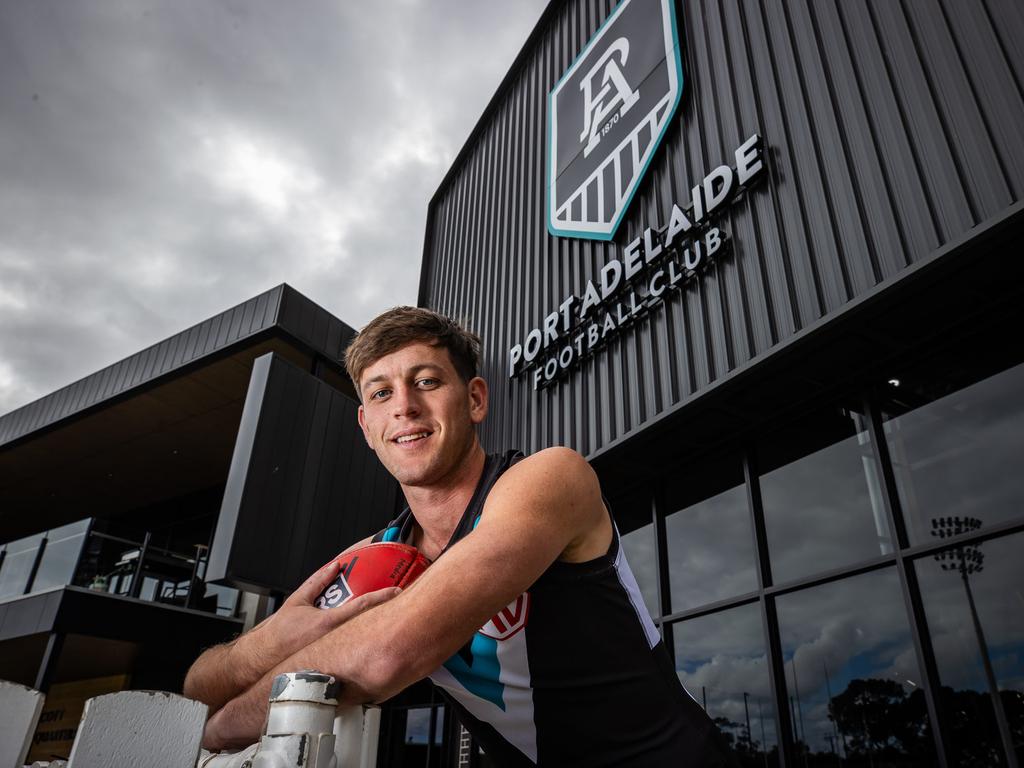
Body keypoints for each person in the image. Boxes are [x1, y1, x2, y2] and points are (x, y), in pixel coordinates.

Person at [185, 306, 735, 766]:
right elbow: (192, 692)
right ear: (366, 428)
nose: (404, 405)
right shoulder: (378, 557)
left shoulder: (548, 479)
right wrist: (271, 639)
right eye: (380, 394)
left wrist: (214, 734)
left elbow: (384, 655)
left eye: (426, 381)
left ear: (474, 399)